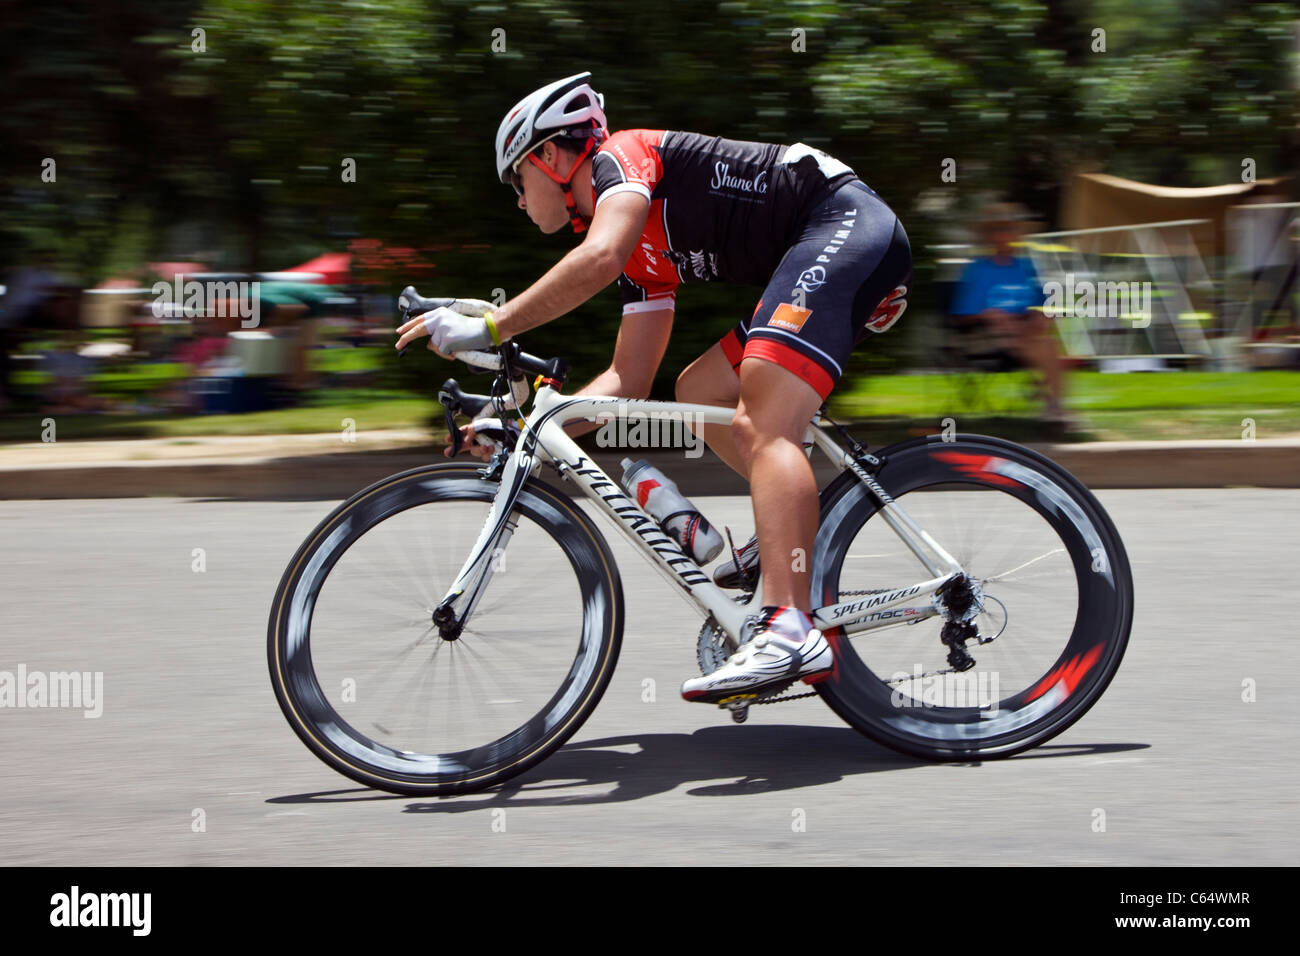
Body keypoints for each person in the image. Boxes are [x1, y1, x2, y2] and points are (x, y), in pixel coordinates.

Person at [395, 73, 912, 704]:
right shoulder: (636, 249)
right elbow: (627, 382)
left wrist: (490, 326)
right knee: (701, 390)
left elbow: (599, 257)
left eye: (517, 182)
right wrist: (523, 421)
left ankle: (787, 626)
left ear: (552, 157)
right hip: (824, 248)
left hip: (843, 223)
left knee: (763, 414)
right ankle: (783, 540)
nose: (520, 202)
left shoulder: (622, 160)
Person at [950, 202, 1069, 422]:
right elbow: (962, 315)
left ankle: (1054, 406)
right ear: (988, 236)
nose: (1005, 234)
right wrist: (989, 314)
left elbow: (1042, 304)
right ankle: (1052, 404)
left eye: (1010, 229)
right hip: (986, 337)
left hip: (1026, 335)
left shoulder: (1027, 267)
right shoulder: (978, 269)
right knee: (1023, 332)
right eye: (997, 229)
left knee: (1047, 340)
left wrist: (1040, 315)